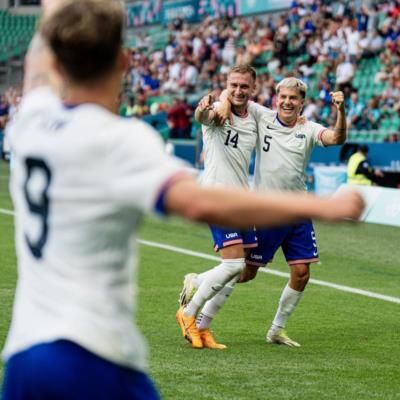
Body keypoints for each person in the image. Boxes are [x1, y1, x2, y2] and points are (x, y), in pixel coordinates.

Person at [1, 1, 365, 399]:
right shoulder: (124, 140)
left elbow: (43, 56)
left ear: (54, 65)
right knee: (238, 265)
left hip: (23, 352)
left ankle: (202, 317)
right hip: (96, 355)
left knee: (241, 268)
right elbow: (197, 193)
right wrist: (323, 207)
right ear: (123, 62)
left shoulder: (30, 121)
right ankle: (193, 302)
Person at [240, 77, 349, 348]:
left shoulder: (309, 128)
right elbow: (235, 97)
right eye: (283, 97)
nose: (287, 102)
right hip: (267, 210)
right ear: (277, 98)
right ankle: (199, 288)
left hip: (298, 210)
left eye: (293, 98)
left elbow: (337, 138)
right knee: (246, 273)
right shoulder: (261, 115)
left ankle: (276, 330)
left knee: (301, 272)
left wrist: (341, 111)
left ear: (302, 103)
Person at [176, 65, 260, 350]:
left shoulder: (255, 119)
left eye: (244, 87)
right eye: (233, 85)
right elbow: (203, 117)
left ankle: (203, 325)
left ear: (253, 89)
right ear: (227, 84)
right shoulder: (218, 113)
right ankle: (188, 313)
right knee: (233, 264)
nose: (238, 91)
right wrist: (206, 108)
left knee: (242, 270)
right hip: (217, 196)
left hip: (241, 200)